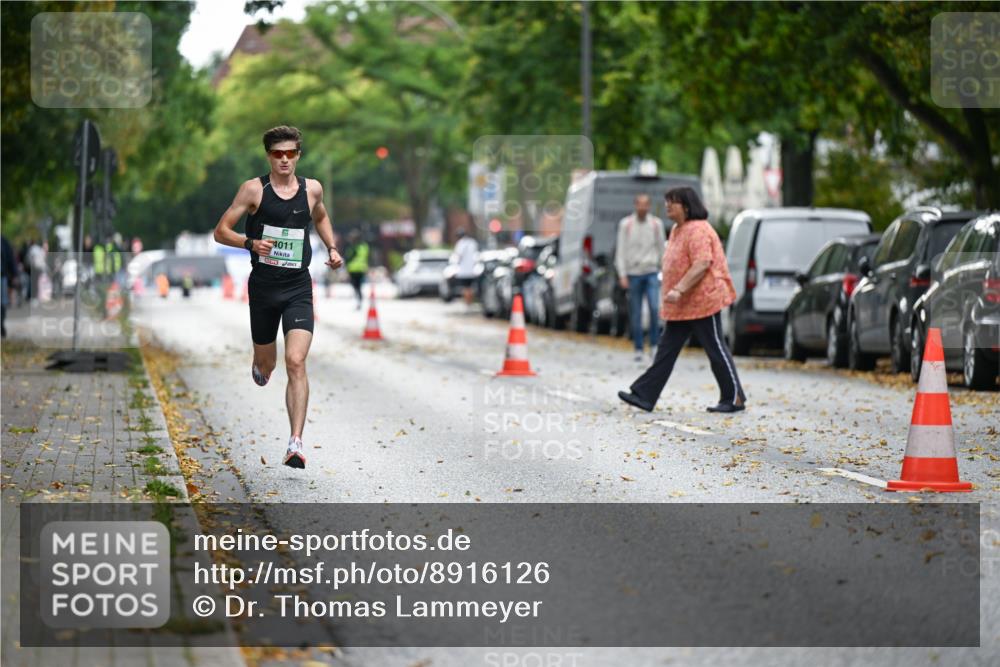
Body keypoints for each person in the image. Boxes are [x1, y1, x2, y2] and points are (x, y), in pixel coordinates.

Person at [213, 125, 343, 469]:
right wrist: (250, 243)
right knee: (266, 363)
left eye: (290, 153)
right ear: (268, 155)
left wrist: (331, 247)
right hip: (264, 288)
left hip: (298, 286)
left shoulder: (312, 189)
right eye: (277, 154)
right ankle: (260, 365)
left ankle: (295, 442)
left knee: (296, 361)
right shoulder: (254, 190)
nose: (284, 160)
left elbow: (321, 216)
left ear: (298, 154)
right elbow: (220, 230)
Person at [618, 187, 746, 414]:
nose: (667, 206)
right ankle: (645, 395)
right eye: (667, 202)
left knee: (716, 349)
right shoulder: (678, 229)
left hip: (703, 300)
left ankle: (734, 397)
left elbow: (702, 263)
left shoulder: (697, 229)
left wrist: (679, 289)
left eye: (672, 202)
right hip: (683, 305)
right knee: (666, 352)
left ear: (686, 206)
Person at [615, 194, 666, 362]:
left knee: (653, 308)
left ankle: (654, 344)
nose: (642, 208)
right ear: (635, 205)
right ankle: (638, 347)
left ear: (649, 206)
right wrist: (622, 274)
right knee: (635, 313)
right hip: (633, 273)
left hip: (651, 271)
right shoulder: (626, 225)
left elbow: (662, 249)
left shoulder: (656, 225)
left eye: (646, 205)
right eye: (640, 204)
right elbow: (620, 251)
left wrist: (663, 270)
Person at [452, 227, 479, 308]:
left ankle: (467, 304)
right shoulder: (473, 242)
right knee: (471, 288)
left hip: (463, 270)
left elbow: (458, 256)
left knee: (465, 288)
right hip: (472, 269)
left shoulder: (460, 243)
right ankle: (470, 302)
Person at [344, 228, 369, 309]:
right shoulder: (365, 246)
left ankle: (359, 300)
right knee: (359, 286)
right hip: (361, 269)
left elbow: (348, 257)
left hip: (353, 269)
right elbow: (366, 257)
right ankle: (359, 300)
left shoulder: (352, 247)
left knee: (355, 286)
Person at [1, 235, 19, 338]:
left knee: (1, 304)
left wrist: (15, 275)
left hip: (1, 276)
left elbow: (10, 258)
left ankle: (0, 325)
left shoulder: (3, 241)